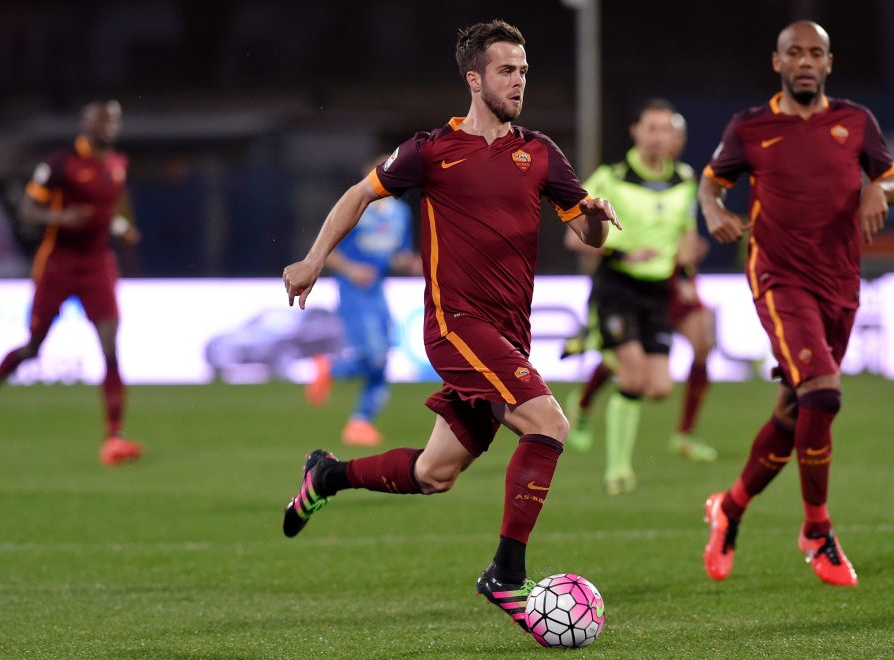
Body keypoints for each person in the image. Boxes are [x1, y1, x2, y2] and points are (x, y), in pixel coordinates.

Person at [279, 20, 619, 632]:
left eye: (523, 70)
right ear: (474, 78)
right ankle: (507, 576)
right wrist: (314, 260)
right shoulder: (431, 150)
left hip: (509, 335)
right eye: (505, 70)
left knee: (434, 475)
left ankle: (327, 473)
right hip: (457, 325)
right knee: (548, 424)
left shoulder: (540, 153)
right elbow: (359, 195)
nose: (518, 81)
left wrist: (594, 216)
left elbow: (586, 236)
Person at [699, 20, 894, 587]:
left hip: (841, 282)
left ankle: (730, 508)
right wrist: (715, 211)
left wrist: (874, 187)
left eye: (816, 53)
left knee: (797, 411)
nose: (806, 61)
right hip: (779, 277)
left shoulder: (855, 121)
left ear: (829, 63)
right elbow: (711, 182)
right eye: (796, 53)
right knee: (823, 392)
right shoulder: (751, 126)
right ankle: (817, 530)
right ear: (778, 63)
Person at [563, 99, 712, 495]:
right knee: (632, 375)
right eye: (651, 128)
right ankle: (617, 471)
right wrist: (621, 250)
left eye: (665, 129)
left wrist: (686, 270)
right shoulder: (611, 178)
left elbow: (685, 232)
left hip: (658, 290)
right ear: (635, 131)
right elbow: (573, 236)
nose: (658, 136)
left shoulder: (684, 179)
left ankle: (585, 394)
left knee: (658, 387)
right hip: (618, 286)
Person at [0, 101, 143, 466]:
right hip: (58, 265)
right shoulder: (61, 163)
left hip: (97, 266)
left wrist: (124, 229)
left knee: (110, 347)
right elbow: (27, 210)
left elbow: (114, 210)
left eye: (114, 120)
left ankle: (114, 437)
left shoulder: (117, 165)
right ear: (86, 124)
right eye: (102, 120)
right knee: (33, 347)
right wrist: (61, 217)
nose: (110, 125)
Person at [305, 155, 421, 447]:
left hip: (378, 292)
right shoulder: (356, 208)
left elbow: (398, 255)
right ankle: (331, 370)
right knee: (376, 355)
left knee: (382, 362)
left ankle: (360, 422)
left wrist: (413, 264)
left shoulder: (400, 213)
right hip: (353, 293)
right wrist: (351, 269)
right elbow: (327, 251)